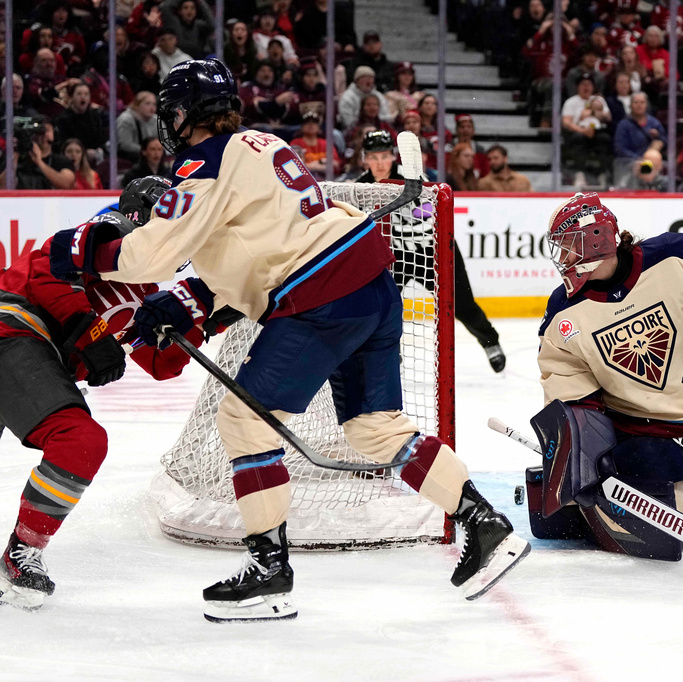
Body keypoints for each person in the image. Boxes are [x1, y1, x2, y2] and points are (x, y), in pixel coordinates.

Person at [49, 60, 528, 622]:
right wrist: (192, 299)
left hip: (319, 295)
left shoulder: (208, 157)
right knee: (375, 429)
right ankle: (484, 522)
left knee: (244, 420)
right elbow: (252, 243)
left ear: (183, 114)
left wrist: (85, 252)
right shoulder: (261, 142)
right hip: (369, 280)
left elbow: (152, 251)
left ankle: (269, 572)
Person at [0, 177, 200, 609]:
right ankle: (22, 552)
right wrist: (91, 335)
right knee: (80, 441)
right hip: (11, 330)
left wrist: (213, 312)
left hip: (26, 350)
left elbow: (162, 363)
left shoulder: (146, 291)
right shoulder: (106, 234)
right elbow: (46, 273)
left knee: (81, 443)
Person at [533, 191, 683, 561]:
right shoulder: (563, 312)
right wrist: (581, 451)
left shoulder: (677, 254)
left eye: (568, 246)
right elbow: (568, 388)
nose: (561, 258)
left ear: (596, 241)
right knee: (665, 498)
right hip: (639, 427)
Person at [355, 130, 507, 374]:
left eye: (384, 156)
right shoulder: (360, 187)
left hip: (433, 249)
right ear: (365, 159)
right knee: (384, 307)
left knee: (461, 304)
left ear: (393, 157)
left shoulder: (412, 177)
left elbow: (425, 214)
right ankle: (390, 350)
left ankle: (491, 343)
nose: (380, 163)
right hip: (397, 257)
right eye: (374, 157)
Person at [0, 120, 75, 190]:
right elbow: (3, 187)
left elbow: (66, 184)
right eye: (39, 132)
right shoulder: (13, 159)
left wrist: (39, 162)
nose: (43, 136)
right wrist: (14, 157)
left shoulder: (61, 161)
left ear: (54, 134)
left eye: (47, 131)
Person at [116, 91, 159, 164]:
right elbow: (125, 145)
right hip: (129, 156)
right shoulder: (126, 119)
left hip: (150, 154)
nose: (152, 107)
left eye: (154, 104)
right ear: (137, 105)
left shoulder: (157, 120)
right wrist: (148, 151)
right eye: (147, 103)